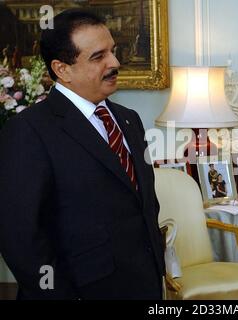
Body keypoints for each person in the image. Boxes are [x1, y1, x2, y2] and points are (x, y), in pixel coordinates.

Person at [0, 9, 164, 300]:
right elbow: (20, 237)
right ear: (62, 69)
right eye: (98, 56)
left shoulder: (129, 119)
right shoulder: (28, 131)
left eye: (113, 51)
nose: (115, 63)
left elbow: (143, 204)